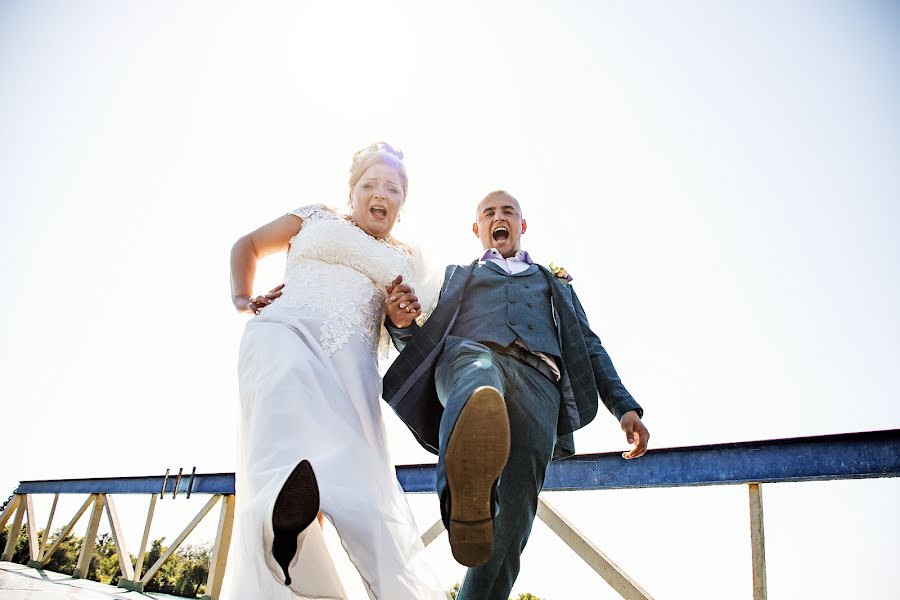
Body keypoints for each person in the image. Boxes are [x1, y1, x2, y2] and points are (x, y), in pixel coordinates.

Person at [383, 190, 650, 599]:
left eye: (508, 211)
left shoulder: (553, 283)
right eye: (489, 212)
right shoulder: (455, 276)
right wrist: (400, 324)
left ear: (522, 225)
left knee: (509, 531)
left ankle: (479, 519)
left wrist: (624, 406)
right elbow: (420, 338)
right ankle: (463, 497)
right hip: (468, 359)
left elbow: (589, 346)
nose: (499, 217)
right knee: (479, 376)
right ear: (478, 228)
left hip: (539, 383)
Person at [224, 143, 444, 600]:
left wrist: (401, 315)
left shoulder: (406, 259)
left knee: (358, 496)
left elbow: (409, 322)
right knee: (285, 405)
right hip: (284, 330)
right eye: (370, 184)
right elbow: (246, 245)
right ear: (351, 192)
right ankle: (281, 537)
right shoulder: (314, 218)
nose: (380, 193)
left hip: (350, 373)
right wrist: (244, 299)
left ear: (402, 204)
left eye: (393, 188)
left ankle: (291, 545)